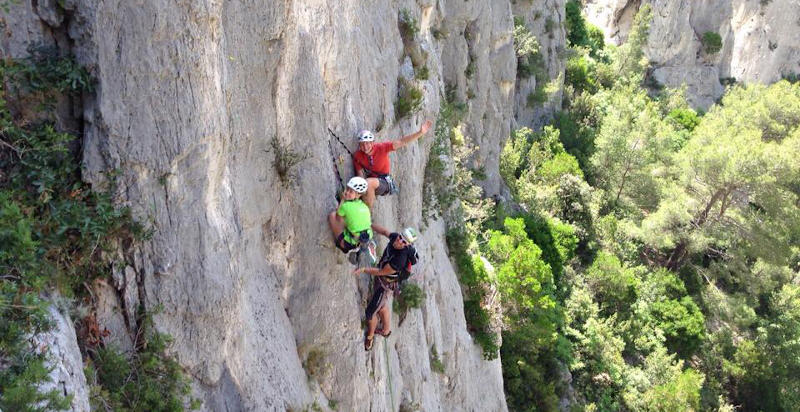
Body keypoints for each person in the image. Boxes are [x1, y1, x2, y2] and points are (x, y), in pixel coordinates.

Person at [353, 226, 419, 351]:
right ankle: (386, 330)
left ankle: (370, 336)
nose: (400, 241)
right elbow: (384, 231)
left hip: (385, 285)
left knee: (370, 313)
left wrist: (363, 270)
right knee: (381, 306)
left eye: (404, 242)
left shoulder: (400, 259)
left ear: (407, 245)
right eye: (400, 237)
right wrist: (369, 224)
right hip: (382, 279)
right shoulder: (394, 237)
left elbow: (381, 272)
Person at [353, 120, 433, 209]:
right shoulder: (358, 156)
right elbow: (360, 176)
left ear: (372, 143)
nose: (365, 147)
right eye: (362, 144)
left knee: (368, 183)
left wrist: (420, 133)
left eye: (367, 143)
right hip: (371, 181)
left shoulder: (382, 148)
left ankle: (366, 215)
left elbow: (402, 142)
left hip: (384, 182)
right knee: (364, 184)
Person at [328, 177, 376, 262]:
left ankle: (343, 245)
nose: (346, 192)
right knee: (349, 220)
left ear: (358, 195)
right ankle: (358, 247)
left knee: (332, 216)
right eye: (347, 189)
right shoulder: (365, 207)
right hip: (364, 237)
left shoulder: (346, 206)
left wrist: (342, 199)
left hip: (349, 243)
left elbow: (337, 218)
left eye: (351, 191)